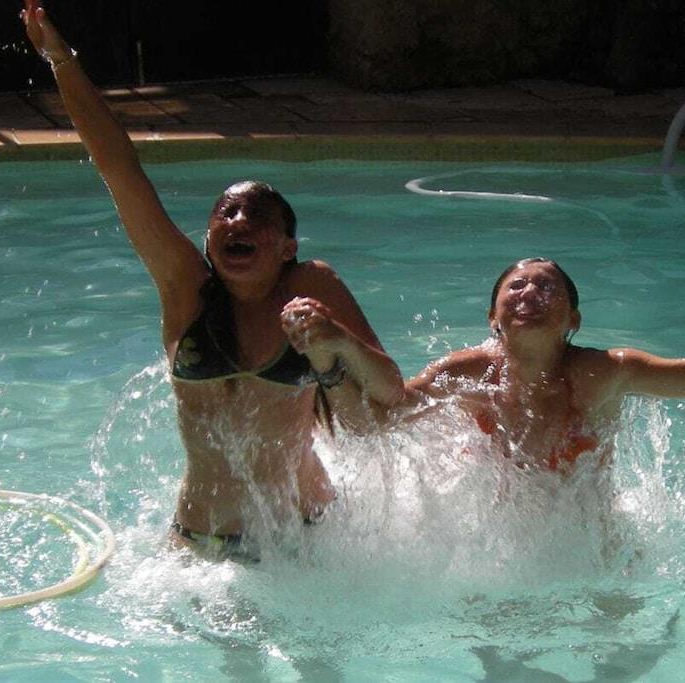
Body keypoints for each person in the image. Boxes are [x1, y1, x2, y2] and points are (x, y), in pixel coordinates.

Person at [21, 0, 404, 552]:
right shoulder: (186, 290)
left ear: (288, 248)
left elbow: (389, 391)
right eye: (226, 213)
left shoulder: (310, 286)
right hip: (197, 541)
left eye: (258, 216)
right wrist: (61, 60)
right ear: (207, 240)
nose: (238, 221)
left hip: (305, 542)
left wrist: (338, 339)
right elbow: (118, 168)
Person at [406, 211, 685, 470]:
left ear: (573, 320)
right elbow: (386, 410)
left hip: (590, 551)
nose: (530, 293)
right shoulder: (464, 374)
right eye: (516, 286)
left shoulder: (606, 373)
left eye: (547, 286)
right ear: (492, 318)